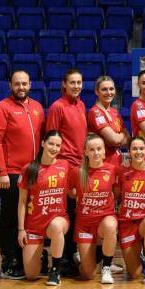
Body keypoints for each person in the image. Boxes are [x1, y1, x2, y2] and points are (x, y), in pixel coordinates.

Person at [0, 70, 46, 279]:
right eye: (17, 84)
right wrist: (2, 172)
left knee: (31, 217)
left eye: (24, 83)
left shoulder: (38, 107)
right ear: (10, 85)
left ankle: (29, 259)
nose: (21, 87)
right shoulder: (2, 108)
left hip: (34, 172)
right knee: (10, 217)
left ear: (30, 84)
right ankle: (9, 260)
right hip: (12, 173)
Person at [46, 69, 88, 276]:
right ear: (64, 84)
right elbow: (51, 138)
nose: (76, 86)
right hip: (64, 167)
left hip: (79, 167)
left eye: (79, 82)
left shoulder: (81, 105)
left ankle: (72, 255)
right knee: (65, 212)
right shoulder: (57, 107)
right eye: (72, 82)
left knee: (76, 212)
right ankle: (62, 259)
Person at [16, 130, 69, 285]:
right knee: (31, 275)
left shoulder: (65, 165)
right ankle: (43, 258)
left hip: (58, 220)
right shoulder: (29, 169)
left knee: (57, 226)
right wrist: (21, 229)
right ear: (43, 143)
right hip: (34, 225)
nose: (54, 148)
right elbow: (22, 201)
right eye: (51, 144)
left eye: (58, 145)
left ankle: (55, 270)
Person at [67, 134, 119, 284]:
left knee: (110, 225)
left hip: (103, 219)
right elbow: (69, 192)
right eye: (92, 149)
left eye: (99, 149)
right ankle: (90, 257)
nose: (96, 152)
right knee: (87, 274)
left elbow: (116, 193)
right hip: (84, 224)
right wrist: (81, 196)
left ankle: (106, 267)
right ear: (85, 152)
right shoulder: (77, 172)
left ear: (104, 151)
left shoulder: (112, 170)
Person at [116, 137, 145, 284]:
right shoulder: (122, 171)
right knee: (135, 274)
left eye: (141, 148)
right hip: (127, 223)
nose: (138, 152)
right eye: (134, 148)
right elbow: (116, 197)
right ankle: (142, 255)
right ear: (129, 151)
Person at [88, 75, 128, 167]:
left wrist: (117, 139)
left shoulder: (114, 112)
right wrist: (120, 136)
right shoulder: (95, 112)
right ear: (97, 91)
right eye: (104, 89)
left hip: (117, 163)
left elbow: (128, 138)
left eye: (111, 89)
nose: (109, 92)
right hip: (103, 165)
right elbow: (114, 140)